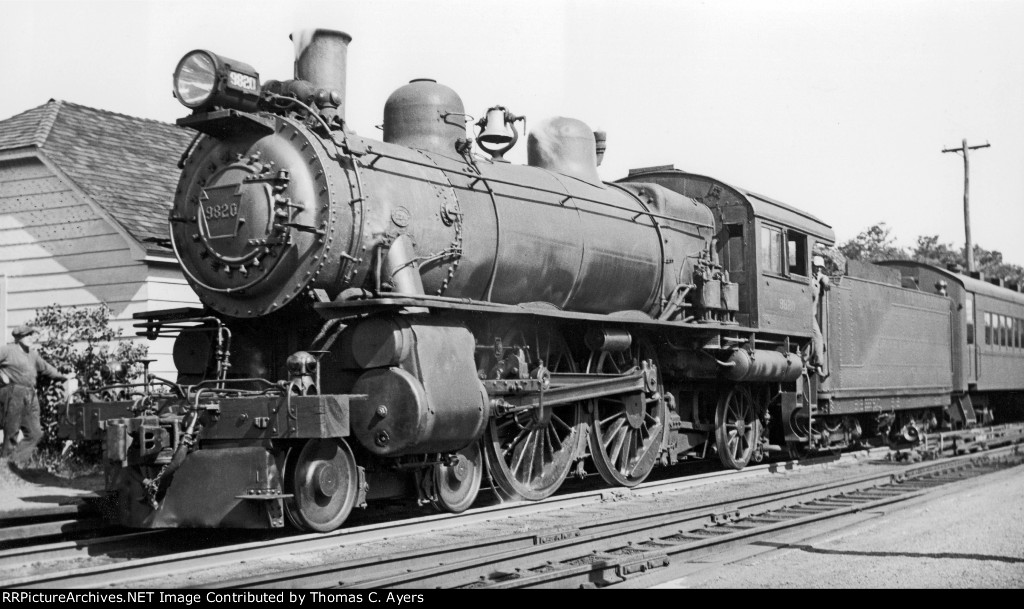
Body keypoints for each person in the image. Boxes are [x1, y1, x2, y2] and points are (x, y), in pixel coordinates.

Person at [0, 325, 75, 465]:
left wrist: (64, 377)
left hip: (30, 394)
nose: (31, 338)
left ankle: (12, 465)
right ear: (18, 338)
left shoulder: (32, 354)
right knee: (11, 433)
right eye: (27, 335)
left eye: (31, 335)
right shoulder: (8, 350)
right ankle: (4, 472)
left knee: (35, 434)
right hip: (14, 393)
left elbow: (46, 368)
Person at [810, 255, 831, 377]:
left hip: (811, 314)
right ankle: (818, 366)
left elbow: (825, 280)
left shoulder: (818, 278)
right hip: (808, 315)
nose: (818, 269)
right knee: (818, 337)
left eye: (820, 268)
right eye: (816, 267)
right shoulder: (810, 279)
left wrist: (824, 280)